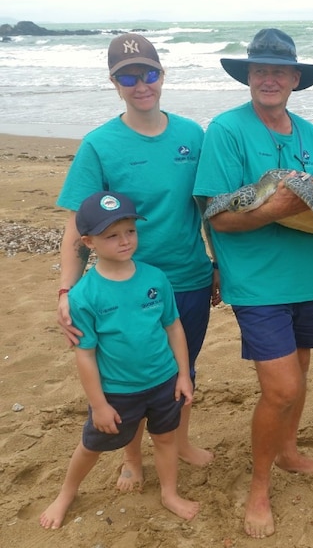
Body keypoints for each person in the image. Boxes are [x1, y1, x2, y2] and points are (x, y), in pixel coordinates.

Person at [193, 28, 313, 538]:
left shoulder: (309, 134)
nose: (269, 78)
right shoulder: (226, 131)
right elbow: (218, 215)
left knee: (300, 377)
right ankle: (258, 487)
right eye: (260, 70)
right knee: (281, 390)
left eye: (279, 70)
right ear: (248, 76)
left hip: (308, 277)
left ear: (296, 78)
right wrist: (278, 207)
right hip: (256, 283)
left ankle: (289, 451)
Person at [56, 33, 216, 491]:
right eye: (128, 76)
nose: (140, 83)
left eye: (148, 73)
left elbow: (206, 210)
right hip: (121, 284)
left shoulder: (192, 135)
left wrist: (218, 264)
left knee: (182, 366)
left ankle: (178, 441)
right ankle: (131, 455)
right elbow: (76, 229)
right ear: (114, 82)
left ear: (162, 75)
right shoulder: (99, 145)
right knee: (126, 373)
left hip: (187, 278)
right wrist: (66, 291)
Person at [40, 191, 199, 529]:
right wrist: (98, 404)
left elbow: (173, 327)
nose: (124, 241)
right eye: (111, 235)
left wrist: (183, 375)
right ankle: (67, 492)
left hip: (163, 381)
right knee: (92, 445)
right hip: (118, 391)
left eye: (130, 231)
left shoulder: (155, 278)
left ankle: (169, 493)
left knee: (167, 438)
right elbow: (85, 355)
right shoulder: (85, 294)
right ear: (89, 241)